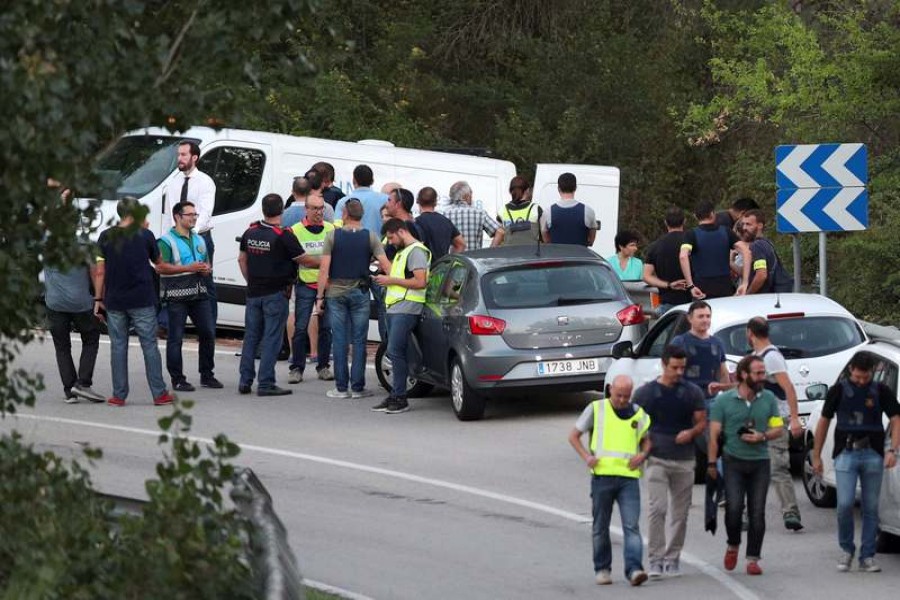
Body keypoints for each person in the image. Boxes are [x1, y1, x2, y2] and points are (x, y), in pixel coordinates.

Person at [812, 353, 900, 573]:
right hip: (846, 453)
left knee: (871, 508)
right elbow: (823, 422)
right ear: (851, 370)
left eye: (866, 376)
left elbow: (897, 419)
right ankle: (846, 549)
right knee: (844, 504)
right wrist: (816, 455)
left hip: (873, 454)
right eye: (858, 376)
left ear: (872, 371)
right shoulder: (839, 390)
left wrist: (892, 450)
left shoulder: (881, 390)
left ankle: (867, 556)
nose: (862, 381)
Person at [568, 375, 651, 587]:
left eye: (626, 396)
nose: (622, 400)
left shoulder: (638, 413)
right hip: (602, 477)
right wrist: (587, 457)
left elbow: (648, 441)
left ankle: (634, 570)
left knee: (631, 526)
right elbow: (574, 436)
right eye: (618, 395)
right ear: (610, 390)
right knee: (600, 526)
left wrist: (642, 456)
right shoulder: (596, 409)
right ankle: (602, 569)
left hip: (629, 478)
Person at [633, 345, 707, 578]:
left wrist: (692, 433)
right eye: (674, 367)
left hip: (684, 460)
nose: (678, 372)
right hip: (656, 459)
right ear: (664, 365)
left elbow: (702, 421)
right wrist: (641, 448)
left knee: (680, 513)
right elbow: (633, 423)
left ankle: (672, 558)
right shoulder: (646, 393)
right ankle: (655, 559)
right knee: (657, 509)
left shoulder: (692, 392)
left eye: (682, 368)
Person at [93, 198, 175, 407]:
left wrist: (98, 298)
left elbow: (99, 270)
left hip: (115, 300)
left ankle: (118, 395)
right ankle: (159, 394)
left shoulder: (105, 236)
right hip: (142, 299)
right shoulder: (145, 235)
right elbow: (159, 263)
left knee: (118, 346)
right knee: (149, 346)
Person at [707, 355, 783, 576]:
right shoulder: (724, 401)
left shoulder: (768, 398)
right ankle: (733, 544)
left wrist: (763, 436)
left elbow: (778, 427)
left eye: (763, 373)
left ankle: (753, 558)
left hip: (760, 462)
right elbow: (713, 435)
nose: (763, 377)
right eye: (758, 373)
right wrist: (712, 463)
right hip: (733, 461)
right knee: (733, 508)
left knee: (757, 512)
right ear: (743, 375)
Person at [238, 193, 316, 397]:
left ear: (263, 210)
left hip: (254, 293)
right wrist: (325, 262)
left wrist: (251, 281)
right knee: (272, 338)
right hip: (276, 294)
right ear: (281, 210)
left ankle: (245, 380)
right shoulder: (283, 235)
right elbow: (305, 260)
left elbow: (242, 260)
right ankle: (265, 383)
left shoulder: (250, 232)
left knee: (251, 337)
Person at [316, 198, 392, 399]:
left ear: (345, 214)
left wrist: (319, 296)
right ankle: (358, 387)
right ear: (362, 216)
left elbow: (324, 269)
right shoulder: (371, 237)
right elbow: (386, 265)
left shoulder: (332, 236)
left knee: (339, 339)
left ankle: (341, 388)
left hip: (336, 293)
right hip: (360, 292)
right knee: (359, 341)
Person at [746, 316, 804, 531]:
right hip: (755, 418)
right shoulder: (755, 356)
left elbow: (788, 387)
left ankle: (790, 512)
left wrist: (795, 418)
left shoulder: (771, 357)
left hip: (775, 418)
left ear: (750, 333)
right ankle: (746, 513)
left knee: (778, 466)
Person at [157, 201, 221, 393]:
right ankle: (178, 378)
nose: (194, 217)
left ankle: (207, 374)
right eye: (190, 214)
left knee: (208, 333)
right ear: (178, 216)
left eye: (195, 214)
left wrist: (205, 269)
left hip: (199, 293)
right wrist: (188, 268)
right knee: (176, 337)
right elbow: (160, 267)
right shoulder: (166, 241)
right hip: (177, 295)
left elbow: (206, 264)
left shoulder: (199, 239)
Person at [371, 219, 430, 414]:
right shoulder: (404, 252)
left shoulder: (416, 251)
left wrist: (390, 280)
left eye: (391, 237)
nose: (391, 242)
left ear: (402, 232)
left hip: (407, 308)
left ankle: (400, 397)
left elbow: (421, 282)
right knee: (395, 351)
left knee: (396, 351)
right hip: (397, 307)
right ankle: (396, 394)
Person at [44, 237, 105, 404]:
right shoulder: (84, 244)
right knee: (91, 339)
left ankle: (70, 391)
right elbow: (96, 271)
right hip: (81, 304)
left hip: (55, 304)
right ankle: (83, 383)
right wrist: (99, 298)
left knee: (62, 347)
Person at [163, 140, 218, 323]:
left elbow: (205, 213)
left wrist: (191, 234)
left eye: (184, 155)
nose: (179, 158)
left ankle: (208, 325)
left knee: (204, 281)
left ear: (194, 157)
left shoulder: (205, 182)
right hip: (177, 236)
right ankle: (168, 323)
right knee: (175, 278)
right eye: (178, 154)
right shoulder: (173, 182)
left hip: (199, 237)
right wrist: (171, 236)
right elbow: (171, 212)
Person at [287, 193, 335, 384]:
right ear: (306, 209)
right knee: (300, 327)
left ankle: (323, 366)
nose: (318, 212)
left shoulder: (331, 229)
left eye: (321, 208)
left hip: (328, 286)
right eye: (314, 208)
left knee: (326, 328)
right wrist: (323, 263)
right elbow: (296, 259)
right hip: (305, 285)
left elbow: (335, 257)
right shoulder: (295, 230)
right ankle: (296, 368)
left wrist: (316, 264)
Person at [680, 199, 751, 299]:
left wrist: (690, 285)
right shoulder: (726, 232)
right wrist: (745, 282)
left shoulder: (691, 234)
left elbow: (683, 256)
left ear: (695, 216)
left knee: (703, 314)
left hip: (701, 289)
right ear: (713, 214)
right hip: (725, 287)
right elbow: (746, 252)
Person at [642, 206, 690, 315]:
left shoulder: (655, 246)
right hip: (693, 302)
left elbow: (646, 276)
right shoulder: (692, 241)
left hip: (667, 304)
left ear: (665, 222)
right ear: (684, 221)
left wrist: (669, 285)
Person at [740, 209, 794, 294]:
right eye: (743, 224)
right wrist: (731, 262)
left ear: (760, 225)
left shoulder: (757, 245)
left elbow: (761, 275)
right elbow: (751, 272)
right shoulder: (766, 243)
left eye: (748, 224)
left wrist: (748, 294)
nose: (744, 228)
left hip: (768, 298)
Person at [540, 172, 598, 246]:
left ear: (558, 188)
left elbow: (546, 239)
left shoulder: (548, 212)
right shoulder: (588, 211)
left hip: (556, 256)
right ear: (575, 188)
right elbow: (590, 240)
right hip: (580, 255)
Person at [442, 181, 502, 250]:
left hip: (454, 259)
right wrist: (490, 251)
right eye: (471, 193)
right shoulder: (480, 213)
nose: (471, 196)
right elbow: (500, 232)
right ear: (466, 196)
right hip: (474, 259)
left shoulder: (445, 215)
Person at [335, 165, 389, 236]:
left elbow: (337, 228)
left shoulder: (343, 202)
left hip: (352, 244)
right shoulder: (386, 199)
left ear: (353, 180)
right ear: (372, 181)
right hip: (380, 245)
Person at [414, 186, 465, 261]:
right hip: (441, 269)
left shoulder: (415, 223)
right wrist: (450, 262)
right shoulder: (446, 222)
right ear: (435, 202)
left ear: (418, 201)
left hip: (421, 270)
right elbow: (461, 244)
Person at [497, 175, 541, 245]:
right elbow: (544, 236)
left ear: (510, 191)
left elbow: (499, 236)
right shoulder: (536, 209)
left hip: (509, 254)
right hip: (531, 254)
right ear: (527, 190)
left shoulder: (502, 211)